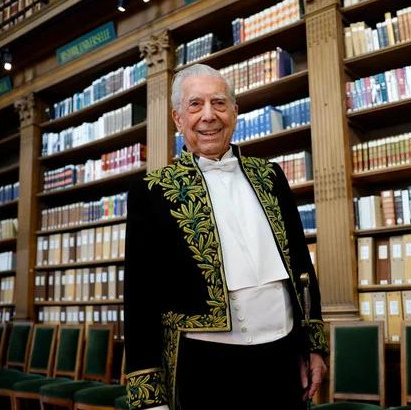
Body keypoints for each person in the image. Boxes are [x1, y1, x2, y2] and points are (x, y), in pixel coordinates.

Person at [123, 63, 328, 410]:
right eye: (195, 105)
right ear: (177, 118)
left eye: (219, 103)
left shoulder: (271, 176)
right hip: (203, 366)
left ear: (235, 112)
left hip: (282, 358)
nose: (209, 116)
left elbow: (300, 265)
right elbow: (140, 297)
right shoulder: (151, 191)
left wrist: (313, 346)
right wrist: (149, 397)